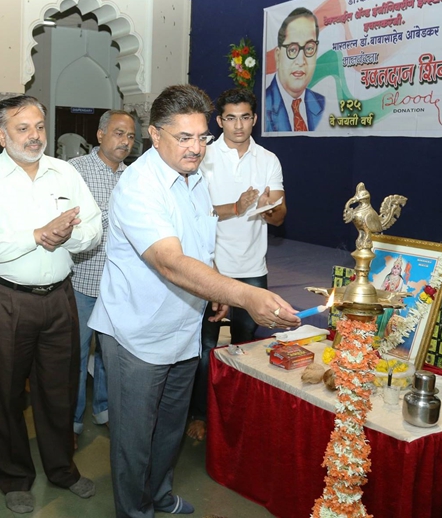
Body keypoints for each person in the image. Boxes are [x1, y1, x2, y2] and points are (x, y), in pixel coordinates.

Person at [88, 84, 299, 518]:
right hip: (137, 334)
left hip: (183, 326)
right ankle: (135, 511)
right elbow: (170, 262)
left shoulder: (195, 177)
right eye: (184, 137)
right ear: (155, 134)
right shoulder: (139, 185)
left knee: (170, 427)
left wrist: (213, 291)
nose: (197, 148)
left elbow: (201, 245)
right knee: (135, 438)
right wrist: (242, 293)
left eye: (202, 137)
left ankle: (160, 496)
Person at [0, 95, 102, 514]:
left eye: (39, 126)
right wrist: (36, 236)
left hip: (59, 298)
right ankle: (14, 477)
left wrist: (69, 236)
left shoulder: (65, 173)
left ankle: (62, 470)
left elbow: (93, 227)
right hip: (3, 300)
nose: (35, 136)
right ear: (0, 135)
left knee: (60, 391)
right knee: (3, 393)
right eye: (23, 128)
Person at [186, 87, 287, 442]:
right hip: (210, 266)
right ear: (219, 121)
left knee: (247, 346)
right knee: (204, 349)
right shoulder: (204, 156)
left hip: (252, 269)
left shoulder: (268, 159)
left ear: (254, 119)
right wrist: (236, 207)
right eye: (230, 118)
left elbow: (279, 216)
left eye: (245, 117)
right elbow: (194, 213)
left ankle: (240, 412)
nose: (238, 125)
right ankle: (199, 414)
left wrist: (268, 209)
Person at [68, 110, 136, 449]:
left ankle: (105, 410)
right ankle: (73, 420)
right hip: (83, 279)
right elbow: (71, 222)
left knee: (111, 356)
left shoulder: (134, 176)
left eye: (130, 136)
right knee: (76, 355)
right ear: (100, 135)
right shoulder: (75, 171)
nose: (125, 141)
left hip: (120, 284)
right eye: (119, 133)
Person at [264, 7, 326, 132]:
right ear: (278, 56)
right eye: (292, 49)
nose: (301, 61)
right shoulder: (264, 106)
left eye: (309, 48)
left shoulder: (323, 104)